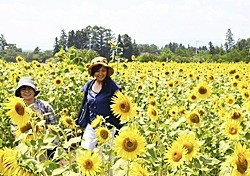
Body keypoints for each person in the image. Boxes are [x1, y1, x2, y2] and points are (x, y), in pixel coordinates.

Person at [80, 56, 122, 150]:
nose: (100, 74)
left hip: (108, 127)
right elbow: (85, 104)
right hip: (92, 125)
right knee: (85, 150)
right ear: (93, 72)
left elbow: (120, 105)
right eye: (97, 71)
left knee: (107, 156)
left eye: (103, 70)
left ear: (107, 72)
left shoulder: (112, 86)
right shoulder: (89, 85)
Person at [15, 76, 57, 158]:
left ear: (34, 91)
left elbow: (53, 126)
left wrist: (54, 147)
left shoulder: (45, 106)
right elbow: (14, 127)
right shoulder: (17, 108)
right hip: (25, 145)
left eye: (29, 88)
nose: (26, 91)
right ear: (20, 92)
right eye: (23, 89)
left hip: (42, 144)